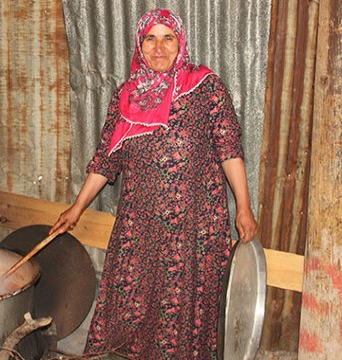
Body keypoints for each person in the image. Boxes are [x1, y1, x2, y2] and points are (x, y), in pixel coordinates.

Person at [50, 8, 257, 359]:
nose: (158, 48)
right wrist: (76, 208)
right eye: (150, 39)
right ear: (139, 44)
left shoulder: (206, 88)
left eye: (168, 38)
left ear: (181, 43)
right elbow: (107, 158)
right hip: (139, 222)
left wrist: (244, 207)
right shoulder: (127, 95)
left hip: (194, 225)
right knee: (135, 303)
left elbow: (229, 149)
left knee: (183, 308)